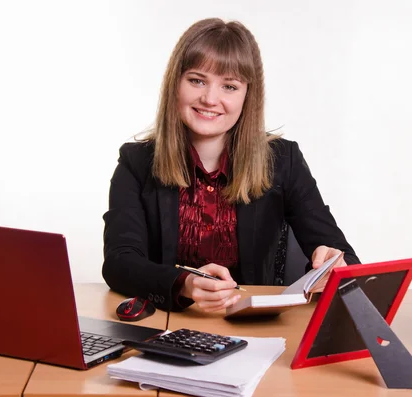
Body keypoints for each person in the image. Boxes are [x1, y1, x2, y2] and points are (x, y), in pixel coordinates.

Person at [102, 18, 359, 313]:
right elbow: (119, 263)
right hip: (169, 327)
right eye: (197, 80)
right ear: (176, 83)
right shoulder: (137, 162)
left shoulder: (283, 160)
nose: (210, 99)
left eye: (229, 86)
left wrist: (333, 262)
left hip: (258, 331)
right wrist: (184, 283)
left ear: (247, 95)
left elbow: (348, 260)